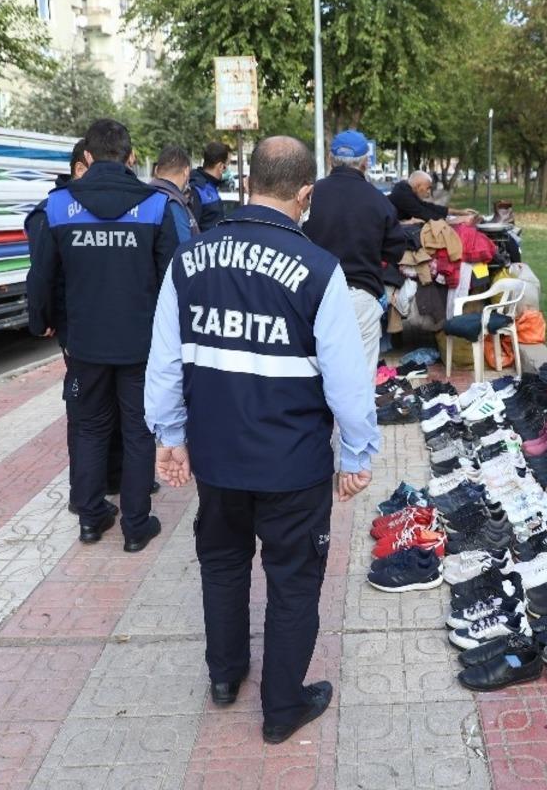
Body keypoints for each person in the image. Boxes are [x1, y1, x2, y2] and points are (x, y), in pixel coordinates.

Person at [144, 135, 380, 744]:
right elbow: (349, 382)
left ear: (249, 182)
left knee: (222, 566)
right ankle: (282, 709)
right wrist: (357, 455)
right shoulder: (319, 270)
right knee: (293, 580)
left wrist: (168, 435)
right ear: (305, 194)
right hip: (292, 466)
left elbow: (165, 362)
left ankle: (225, 678)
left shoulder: (189, 258)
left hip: (217, 459)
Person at [27, 118, 178, 553]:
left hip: (84, 346)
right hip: (140, 346)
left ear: (87, 158)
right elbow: (172, 282)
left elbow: (41, 278)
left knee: (90, 428)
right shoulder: (155, 206)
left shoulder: (57, 207)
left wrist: (43, 322)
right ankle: (135, 526)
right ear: (130, 157)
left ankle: (91, 520)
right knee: (137, 431)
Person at [302, 129, 406, 376]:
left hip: (314, 296)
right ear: (365, 162)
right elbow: (396, 250)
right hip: (360, 297)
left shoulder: (310, 195)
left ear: (330, 159)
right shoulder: (378, 200)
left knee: (317, 374)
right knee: (358, 381)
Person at [148, 145, 199, 243]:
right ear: (186, 171)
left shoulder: (143, 197)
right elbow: (185, 250)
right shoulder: (173, 204)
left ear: (156, 170)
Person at [388, 170, 479, 222]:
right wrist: (458, 220)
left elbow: (426, 206)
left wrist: (459, 212)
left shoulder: (406, 189)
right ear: (418, 186)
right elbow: (425, 214)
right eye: (428, 188)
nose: (429, 191)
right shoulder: (403, 196)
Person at [189, 141, 232, 230]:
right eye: (226, 166)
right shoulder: (197, 189)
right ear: (220, 166)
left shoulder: (210, 186)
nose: (227, 170)